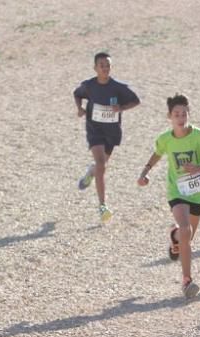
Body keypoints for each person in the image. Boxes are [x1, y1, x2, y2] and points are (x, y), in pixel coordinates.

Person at [138, 93, 200, 300]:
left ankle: (174, 239)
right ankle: (187, 280)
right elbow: (157, 153)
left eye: (184, 114)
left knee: (186, 237)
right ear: (169, 117)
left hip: (198, 192)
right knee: (186, 229)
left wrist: (197, 167)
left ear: (188, 114)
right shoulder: (165, 139)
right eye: (176, 114)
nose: (181, 118)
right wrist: (145, 172)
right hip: (177, 191)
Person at [73, 52, 140, 223]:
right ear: (95, 68)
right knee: (102, 165)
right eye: (101, 65)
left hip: (112, 132)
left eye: (108, 65)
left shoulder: (118, 87)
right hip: (94, 130)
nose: (105, 68)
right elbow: (77, 94)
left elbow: (135, 101)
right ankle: (103, 206)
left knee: (101, 165)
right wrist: (80, 108)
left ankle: (90, 172)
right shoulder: (89, 86)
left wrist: (121, 108)